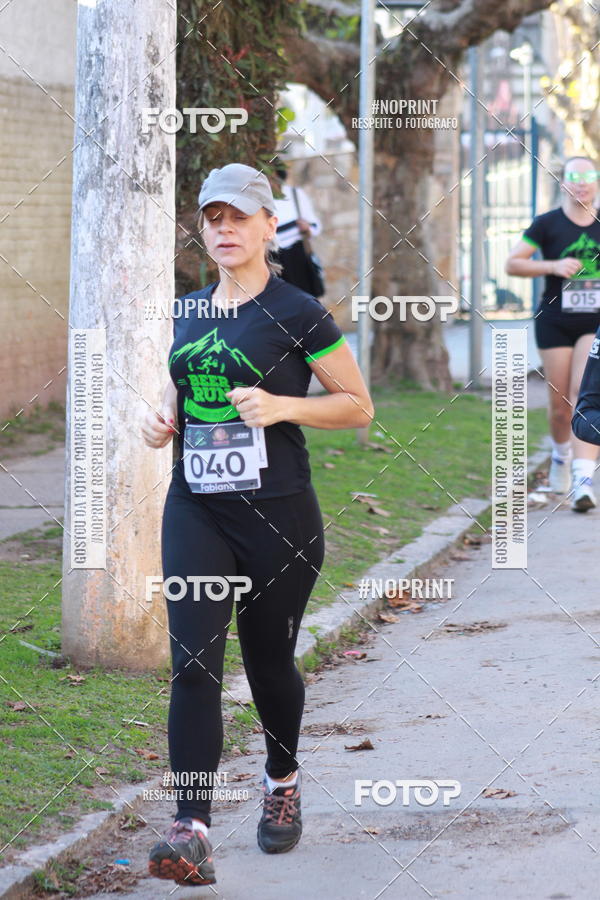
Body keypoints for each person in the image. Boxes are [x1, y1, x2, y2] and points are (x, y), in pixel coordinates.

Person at [141, 162, 373, 886]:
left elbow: (358, 406)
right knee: (194, 663)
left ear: (270, 224)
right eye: (213, 218)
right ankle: (192, 828)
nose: (225, 230)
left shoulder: (299, 311)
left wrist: (284, 407)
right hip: (197, 507)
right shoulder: (183, 311)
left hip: (279, 516)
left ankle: (280, 781)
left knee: (268, 663)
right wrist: (163, 420)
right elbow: (186, 394)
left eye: (239, 217)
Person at [505, 155, 600, 512]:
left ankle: (583, 481)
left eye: (590, 177)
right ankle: (560, 458)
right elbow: (513, 263)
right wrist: (553, 265)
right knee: (560, 405)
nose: (582, 184)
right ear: (564, 182)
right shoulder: (548, 223)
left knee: (582, 394)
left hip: (596, 322)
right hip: (556, 318)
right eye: (575, 177)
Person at [271, 158, 324, 295]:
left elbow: (315, 226)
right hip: (275, 261)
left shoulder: (295, 194)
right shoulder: (261, 202)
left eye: (271, 174)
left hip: (298, 257)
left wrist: (306, 227)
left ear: (278, 174)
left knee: (307, 304)